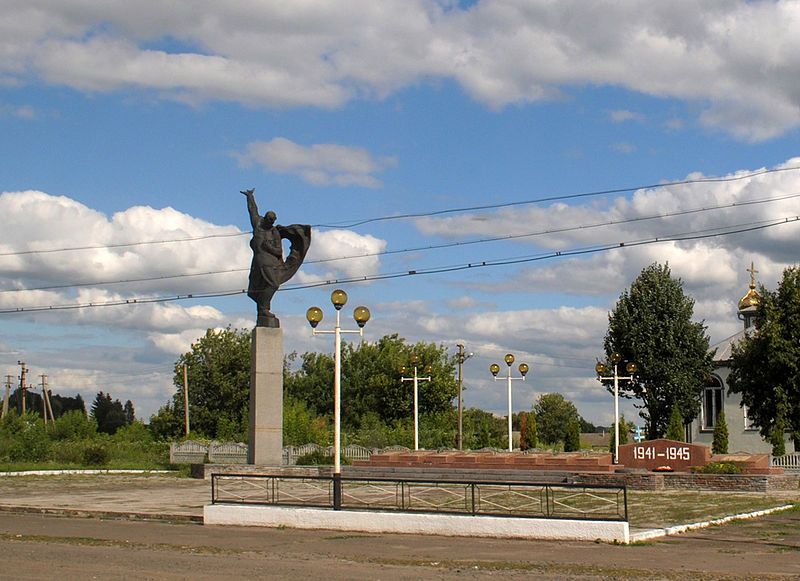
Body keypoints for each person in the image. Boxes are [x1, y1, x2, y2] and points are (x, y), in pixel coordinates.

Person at [241, 188, 311, 327]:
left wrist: (269, 248)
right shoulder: (258, 224)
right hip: (259, 262)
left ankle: (263, 309)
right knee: (261, 287)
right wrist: (250, 196)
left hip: (271, 263)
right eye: (268, 220)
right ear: (265, 218)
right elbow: (252, 210)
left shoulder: (274, 232)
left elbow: (279, 251)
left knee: (272, 284)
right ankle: (263, 310)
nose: (270, 223)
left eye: (272, 221)